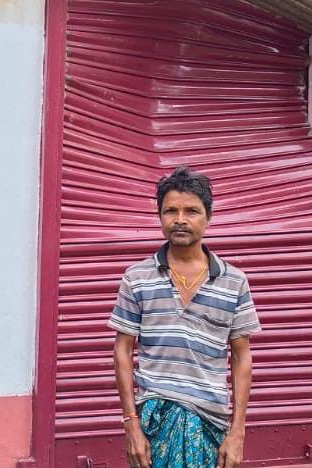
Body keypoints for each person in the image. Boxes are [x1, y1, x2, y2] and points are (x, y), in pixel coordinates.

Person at [109, 167, 261, 468]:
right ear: (160, 216)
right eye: (171, 211)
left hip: (209, 424)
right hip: (155, 424)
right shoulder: (137, 278)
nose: (180, 219)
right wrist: (131, 423)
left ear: (208, 217)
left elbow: (241, 357)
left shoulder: (234, 281)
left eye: (191, 211)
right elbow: (122, 350)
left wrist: (238, 432)